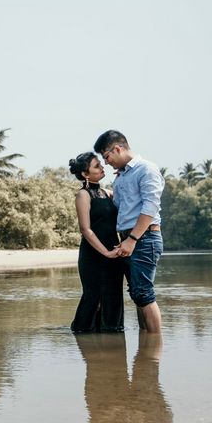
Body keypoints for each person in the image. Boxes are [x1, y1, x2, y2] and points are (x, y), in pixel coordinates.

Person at [93, 130, 165, 333]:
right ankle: (146, 348)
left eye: (106, 157)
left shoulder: (146, 169)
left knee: (143, 293)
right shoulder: (122, 176)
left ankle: (152, 354)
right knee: (137, 294)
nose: (106, 163)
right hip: (128, 239)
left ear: (117, 148)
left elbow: (150, 207)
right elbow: (122, 205)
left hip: (144, 237)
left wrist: (132, 239)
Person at [69, 152, 124, 333]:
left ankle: (111, 334)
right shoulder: (83, 195)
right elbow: (86, 230)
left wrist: (122, 176)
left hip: (113, 252)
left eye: (101, 164)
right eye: (96, 166)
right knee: (94, 295)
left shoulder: (108, 193)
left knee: (113, 294)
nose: (102, 167)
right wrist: (106, 253)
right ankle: (82, 333)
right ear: (85, 174)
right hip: (93, 254)